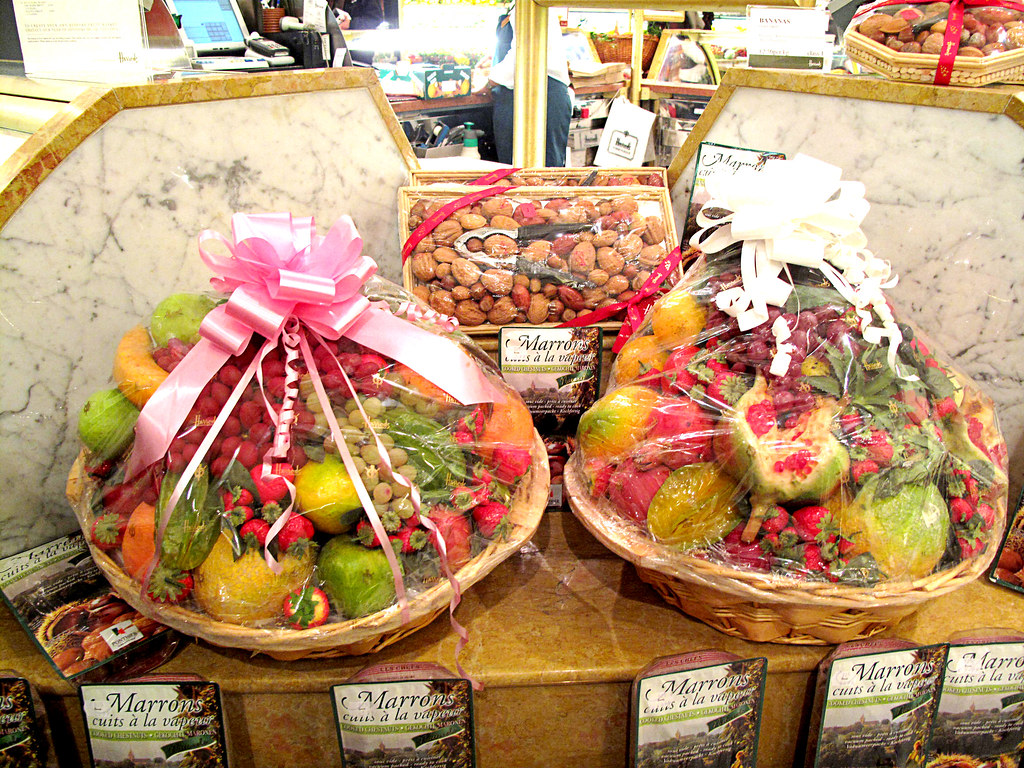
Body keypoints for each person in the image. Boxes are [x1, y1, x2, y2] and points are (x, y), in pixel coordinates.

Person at [483, 5, 572, 168]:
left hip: (536, 98)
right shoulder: (517, 8)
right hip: (530, 97)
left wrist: (488, 81)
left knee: (536, 174)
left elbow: (522, 56)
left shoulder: (530, 9)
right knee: (521, 174)